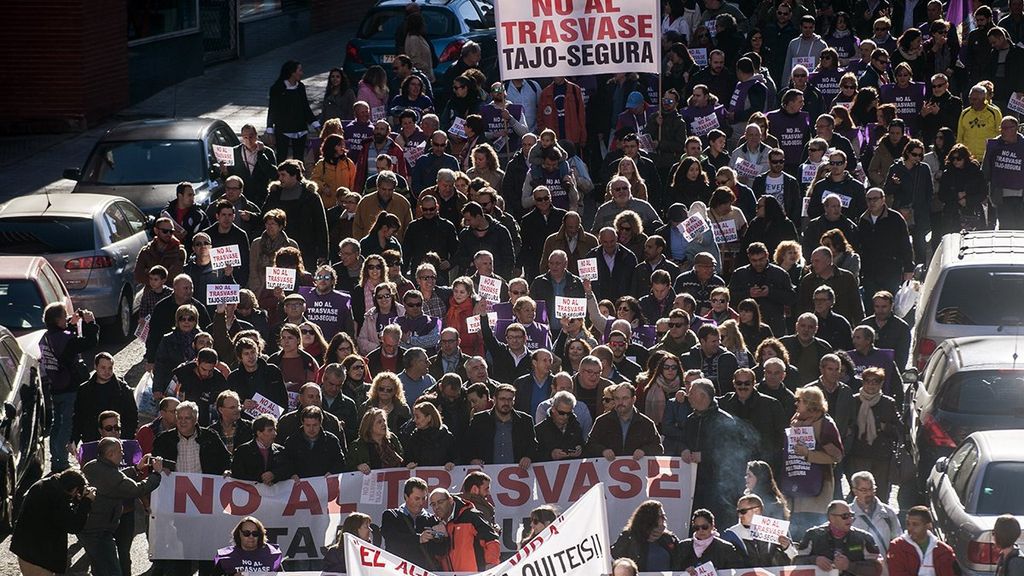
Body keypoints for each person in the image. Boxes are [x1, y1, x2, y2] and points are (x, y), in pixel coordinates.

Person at [81, 437, 163, 576]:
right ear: (110, 454)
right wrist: (156, 473)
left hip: (88, 528)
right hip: (99, 531)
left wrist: (136, 468)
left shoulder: (92, 466)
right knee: (112, 570)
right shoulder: (111, 476)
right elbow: (137, 489)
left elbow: (114, 480)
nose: (123, 454)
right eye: (120, 451)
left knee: (100, 568)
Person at [40, 302, 99, 472]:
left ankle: (55, 458)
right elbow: (87, 343)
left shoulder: (47, 336)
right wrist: (90, 323)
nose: (67, 317)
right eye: (64, 315)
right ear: (58, 320)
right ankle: (61, 462)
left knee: (56, 423)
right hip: (68, 387)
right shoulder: (64, 339)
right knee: (67, 424)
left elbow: (66, 346)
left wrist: (72, 325)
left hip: (56, 387)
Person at [783, 387, 844, 537]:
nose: (796, 404)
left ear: (811, 404)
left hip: (817, 490)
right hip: (795, 485)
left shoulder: (825, 424)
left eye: (800, 401)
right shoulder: (796, 420)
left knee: (812, 532)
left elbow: (836, 456)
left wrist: (808, 454)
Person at [10, 468, 94, 576]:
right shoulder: (57, 499)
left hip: (26, 549)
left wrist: (77, 499)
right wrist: (86, 502)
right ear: (74, 490)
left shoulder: (46, 484)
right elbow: (74, 526)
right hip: (38, 557)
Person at [262, 160, 329, 270]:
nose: (280, 178)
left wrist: (323, 253)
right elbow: (264, 216)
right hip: (278, 247)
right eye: (279, 175)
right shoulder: (274, 194)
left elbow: (321, 225)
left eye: (283, 175)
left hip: (306, 248)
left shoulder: (310, 196)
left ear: (294, 175)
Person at [795, 500, 883, 576]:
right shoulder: (813, 535)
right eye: (845, 516)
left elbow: (877, 569)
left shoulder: (864, 538)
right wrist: (814, 560)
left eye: (851, 515)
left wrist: (850, 566)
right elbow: (795, 563)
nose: (849, 519)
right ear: (831, 518)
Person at [463, 383, 537, 467]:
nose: (506, 403)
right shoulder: (479, 420)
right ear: (494, 399)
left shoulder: (525, 421)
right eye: (502, 399)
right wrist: (473, 459)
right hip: (487, 473)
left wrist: (528, 457)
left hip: (518, 474)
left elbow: (533, 445)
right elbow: (468, 445)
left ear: (514, 401)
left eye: (510, 399)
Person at [428, 487, 502, 572]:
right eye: (433, 504)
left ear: (450, 500)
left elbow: (491, 540)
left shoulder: (471, 516)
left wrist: (491, 567)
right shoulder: (434, 523)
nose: (437, 507)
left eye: (440, 502)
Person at [586, 382, 663, 460]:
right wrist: (602, 451)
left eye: (625, 398)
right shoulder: (602, 421)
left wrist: (644, 451)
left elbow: (658, 448)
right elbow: (590, 445)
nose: (620, 402)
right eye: (617, 398)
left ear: (633, 399)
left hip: (637, 470)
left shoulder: (646, 423)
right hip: (606, 469)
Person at [722, 494, 796, 566]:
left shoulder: (777, 531)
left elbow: (794, 558)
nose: (739, 515)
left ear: (756, 511)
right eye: (738, 512)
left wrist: (787, 547)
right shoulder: (731, 534)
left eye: (743, 511)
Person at [266, 60, 318, 161]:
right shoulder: (277, 88)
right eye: (300, 70)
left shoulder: (300, 87)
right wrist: (270, 130)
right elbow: (272, 110)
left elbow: (305, 107)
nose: (302, 73)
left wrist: (316, 125)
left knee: (299, 159)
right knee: (281, 158)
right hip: (283, 130)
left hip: (300, 130)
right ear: (292, 72)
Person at [886, 506, 958, 576]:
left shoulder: (944, 551)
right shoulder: (897, 547)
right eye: (908, 524)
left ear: (928, 526)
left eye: (915, 524)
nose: (910, 528)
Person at [611, 500, 680, 572]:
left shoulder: (669, 538)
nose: (665, 519)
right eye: (661, 516)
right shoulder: (629, 537)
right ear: (650, 518)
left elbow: (680, 562)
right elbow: (615, 559)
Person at [849, 471, 902, 558]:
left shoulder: (888, 513)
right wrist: (862, 550)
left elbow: (897, 540)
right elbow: (844, 546)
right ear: (854, 491)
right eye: (864, 490)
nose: (869, 493)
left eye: (871, 489)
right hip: (858, 567)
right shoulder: (847, 515)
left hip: (884, 566)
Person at [672, 508, 744, 569]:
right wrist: (685, 572)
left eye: (704, 527)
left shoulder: (726, 548)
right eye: (697, 528)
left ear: (712, 526)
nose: (701, 530)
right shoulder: (683, 546)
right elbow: (674, 570)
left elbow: (735, 571)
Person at [225, 124, 278, 207]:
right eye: (245, 137)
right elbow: (229, 178)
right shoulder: (235, 152)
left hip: (261, 196)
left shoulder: (267, 152)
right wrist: (224, 172)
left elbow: (273, 174)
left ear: (256, 136)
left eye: (251, 136)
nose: (248, 140)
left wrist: (261, 154)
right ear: (242, 138)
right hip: (242, 197)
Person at [213, 516, 284, 575]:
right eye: (246, 533)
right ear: (239, 533)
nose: (251, 536)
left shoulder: (272, 554)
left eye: (255, 533)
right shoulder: (224, 556)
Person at [534, 389, 585, 462]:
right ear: (553, 409)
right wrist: (551, 455)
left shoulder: (576, 426)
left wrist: (580, 449)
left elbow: (584, 446)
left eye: (568, 413)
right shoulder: (540, 430)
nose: (565, 416)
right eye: (561, 413)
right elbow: (533, 455)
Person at [349, 407, 405, 473]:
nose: (383, 424)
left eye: (384, 420)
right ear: (369, 427)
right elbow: (349, 468)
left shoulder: (392, 439)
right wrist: (358, 467)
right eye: (379, 422)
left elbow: (403, 458)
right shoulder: (358, 446)